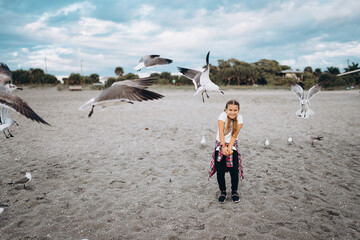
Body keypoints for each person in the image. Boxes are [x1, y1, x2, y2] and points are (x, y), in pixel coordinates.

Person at [208, 99, 244, 204]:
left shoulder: (240, 118)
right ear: (226, 110)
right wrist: (223, 147)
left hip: (233, 146)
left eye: (235, 110)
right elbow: (221, 132)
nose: (232, 112)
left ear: (238, 110)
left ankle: (234, 192)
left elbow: (234, 135)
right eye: (230, 110)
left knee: (234, 171)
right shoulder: (222, 116)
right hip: (221, 144)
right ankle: (223, 192)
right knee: (220, 171)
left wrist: (229, 148)